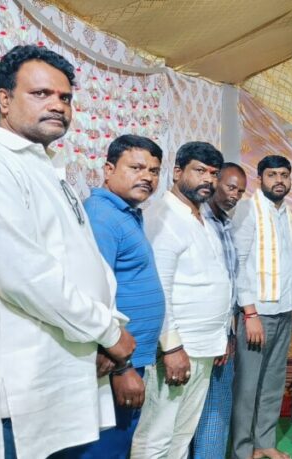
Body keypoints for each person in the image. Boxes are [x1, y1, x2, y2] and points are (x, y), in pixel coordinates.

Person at [0, 44, 135, 458]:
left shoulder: (45, 166)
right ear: (4, 99)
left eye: (65, 97)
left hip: (64, 373)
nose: (57, 105)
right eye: (41, 94)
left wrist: (104, 328)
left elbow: (85, 263)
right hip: (20, 391)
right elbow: (24, 275)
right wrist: (109, 332)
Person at [132, 142, 232, 458]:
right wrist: (172, 347)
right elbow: (158, 290)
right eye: (199, 171)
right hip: (177, 350)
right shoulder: (161, 218)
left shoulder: (202, 218)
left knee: (182, 433)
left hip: (204, 346)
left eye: (213, 174)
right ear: (178, 172)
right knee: (157, 434)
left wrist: (220, 336)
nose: (208, 180)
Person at [76, 135, 167, 459]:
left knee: (118, 448)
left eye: (154, 171)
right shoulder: (101, 216)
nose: (147, 176)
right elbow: (93, 295)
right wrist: (120, 367)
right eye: (137, 167)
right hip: (115, 361)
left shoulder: (125, 211)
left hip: (129, 357)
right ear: (109, 169)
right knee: (104, 451)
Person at [230, 156, 292, 459]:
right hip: (256, 315)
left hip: (282, 312)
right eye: (272, 175)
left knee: (272, 384)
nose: (279, 181)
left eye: (284, 175)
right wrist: (250, 312)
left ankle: (264, 444)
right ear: (260, 178)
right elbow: (238, 263)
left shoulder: (286, 212)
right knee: (247, 386)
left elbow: (290, 263)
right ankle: (242, 450)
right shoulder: (248, 209)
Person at [191, 162, 247, 459]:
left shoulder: (224, 224)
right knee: (192, 411)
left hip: (224, 329)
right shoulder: (199, 222)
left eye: (240, 190)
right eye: (230, 186)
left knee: (217, 405)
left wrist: (229, 330)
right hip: (197, 334)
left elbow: (228, 282)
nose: (235, 194)